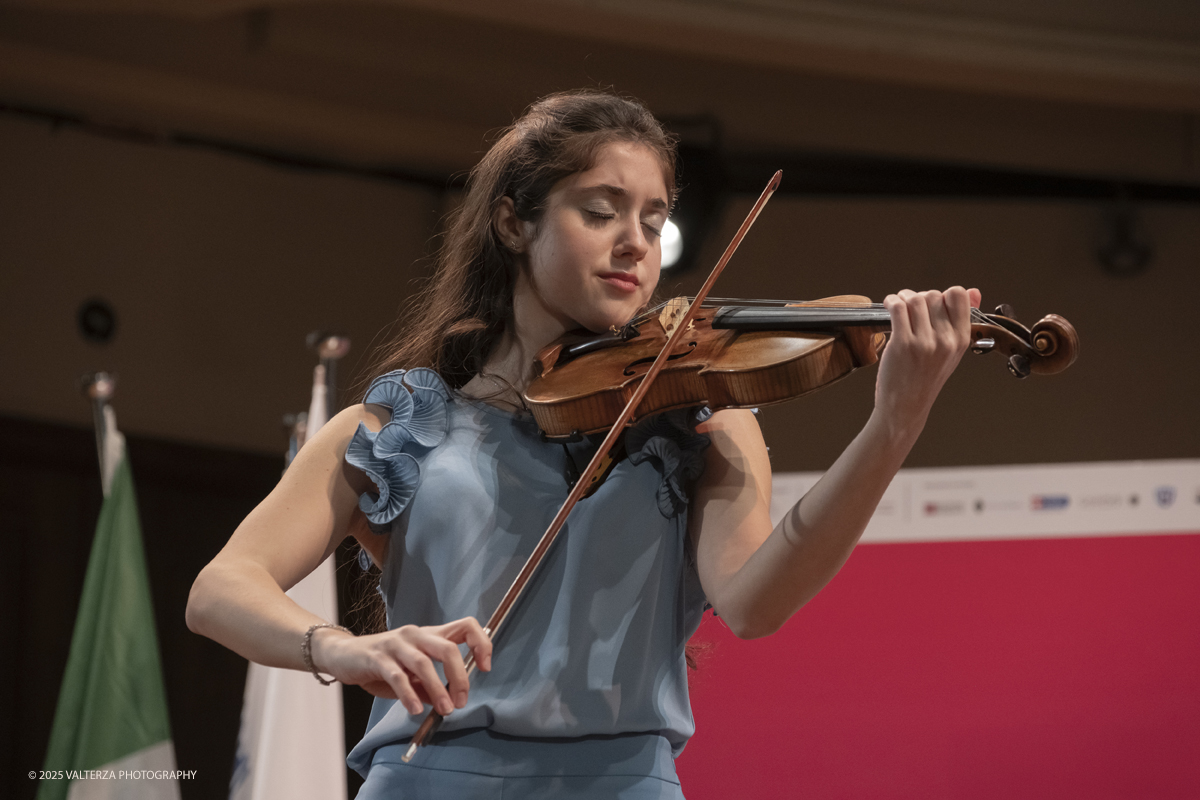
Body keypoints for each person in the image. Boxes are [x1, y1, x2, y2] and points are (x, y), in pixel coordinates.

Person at [186, 89, 980, 798]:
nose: (636, 242)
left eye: (654, 218)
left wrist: (893, 425)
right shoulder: (395, 428)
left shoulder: (697, 415)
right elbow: (220, 590)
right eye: (601, 211)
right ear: (512, 221)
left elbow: (754, 604)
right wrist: (347, 649)